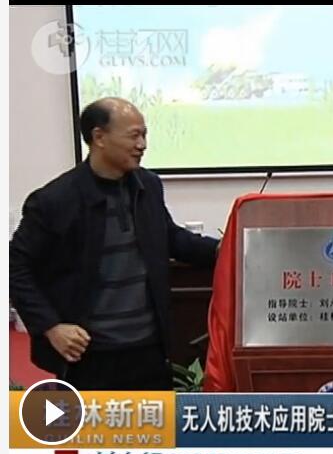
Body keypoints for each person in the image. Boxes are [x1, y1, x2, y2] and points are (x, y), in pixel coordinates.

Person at [9, 97, 219, 390]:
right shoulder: (55, 200)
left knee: (154, 421)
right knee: (95, 422)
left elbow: (171, 238)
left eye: (144, 135)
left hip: (149, 350)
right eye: (134, 135)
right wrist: (51, 326)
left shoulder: (148, 186)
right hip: (89, 356)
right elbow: (15, 266)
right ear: (99, 137)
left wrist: (224, 249)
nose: (142, 145)